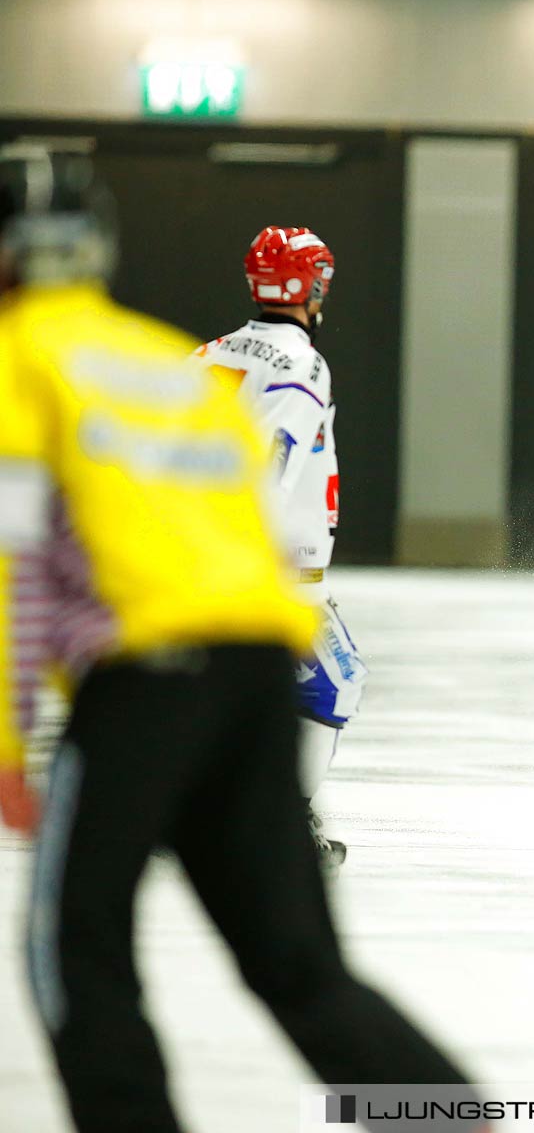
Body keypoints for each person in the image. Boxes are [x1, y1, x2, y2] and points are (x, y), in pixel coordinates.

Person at [0, 153, 479, 1131]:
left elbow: (10, 557)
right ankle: (443, 1117)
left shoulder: (31, 357)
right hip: (260, 657)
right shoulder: (144, 353)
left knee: (77, 943)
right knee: (297, 968)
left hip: (148, 675)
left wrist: (11, 742)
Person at [193, 226, 362, 870]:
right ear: (312, 282)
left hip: (209, 552)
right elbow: (274, 458)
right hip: (272, 564)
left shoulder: (209, 353)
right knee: (334, 683)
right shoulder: (302, 362)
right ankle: (279, 824)